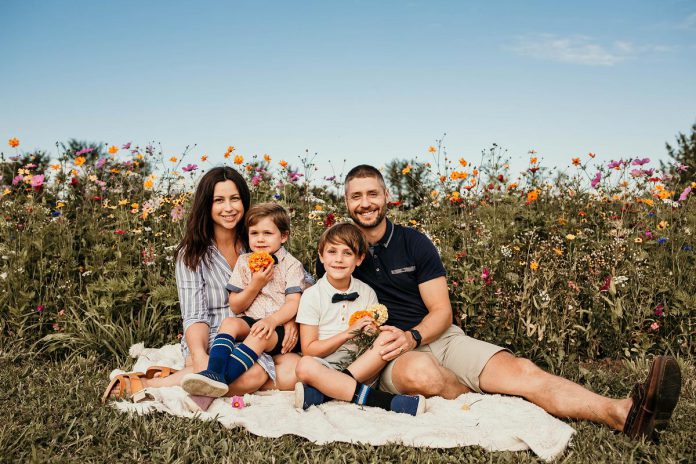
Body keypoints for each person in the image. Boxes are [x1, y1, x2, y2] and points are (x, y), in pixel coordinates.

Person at [317, 164, 682, 442]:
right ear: (346, 202)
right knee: (420, 375)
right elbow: (323, 308)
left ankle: (622, 412)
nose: (365, 203)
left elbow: (442, 312)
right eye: (356, 196)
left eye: (372, 194)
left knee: (522, 370)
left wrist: (415, 335)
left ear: (385, 196)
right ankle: (478, 394)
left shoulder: (414, 242)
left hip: (436, 337)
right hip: (388, 353)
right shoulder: (336, 253)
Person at [102, 167, 301, 406]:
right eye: (219, 200)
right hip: (215, 335)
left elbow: (298, 280)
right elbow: (195, 315)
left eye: (235, 199)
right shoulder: (192, 255)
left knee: (290, 368)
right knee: (255, 375)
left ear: (244, 201)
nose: (228, 208)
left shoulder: (257, 241)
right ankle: (150, 384)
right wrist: (198, 355)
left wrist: (288, 320)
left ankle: (182, 378)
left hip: (259, 331)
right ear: (207, 204)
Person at [293, 222, 425, 416]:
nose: (339, 259)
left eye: (347, 253)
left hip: (363, 366)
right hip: (326, 366)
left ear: (359, 259)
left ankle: (329, 392)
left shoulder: (366, 292)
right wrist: (348, 333)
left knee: (387, 336)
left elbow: (372, 339)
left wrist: (373, 332)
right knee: (304, 366)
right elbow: (309, 349)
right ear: (321, 256)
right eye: (332, 251)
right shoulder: (312, 295)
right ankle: (386, 402)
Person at [181, 203, 307, 398]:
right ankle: (213, 372)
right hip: (251, 319)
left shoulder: (292, 265)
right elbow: (235, 305)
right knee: (230, 322)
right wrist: (255, 284)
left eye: (267, 233)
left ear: (283, 236)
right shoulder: (244, 262)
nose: (260, 239)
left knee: (259, 335)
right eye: (254, 233)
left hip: (277, 328)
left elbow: (293, 302)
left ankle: (223, 379)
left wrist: (272, 321)